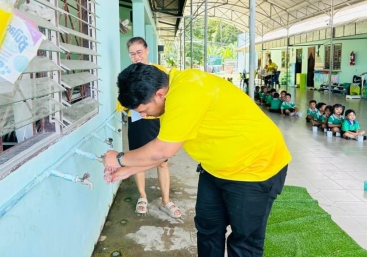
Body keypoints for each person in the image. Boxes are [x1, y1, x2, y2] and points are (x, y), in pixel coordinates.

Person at [104, 63, 291, 257]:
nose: (142, 115)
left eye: (143, 109)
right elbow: (169, 148)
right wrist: (130, 169)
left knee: (244, 242)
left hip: (254, 169)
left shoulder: (187, 93)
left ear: (159, 94)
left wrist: (119, 159)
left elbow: (161, 150)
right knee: (207, 229)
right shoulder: (170, 92)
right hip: (214, 168)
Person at [117, 37, 180, 218]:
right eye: (132, 54)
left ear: (147, 50)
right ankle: (143, 197)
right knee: (139, 160)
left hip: (157, 120)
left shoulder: (159, 71)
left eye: (139, 52)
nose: (136, 56)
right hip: (137, 122)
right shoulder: (127, 74)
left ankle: (165, 200)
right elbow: (121, 102)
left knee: (162, 160)